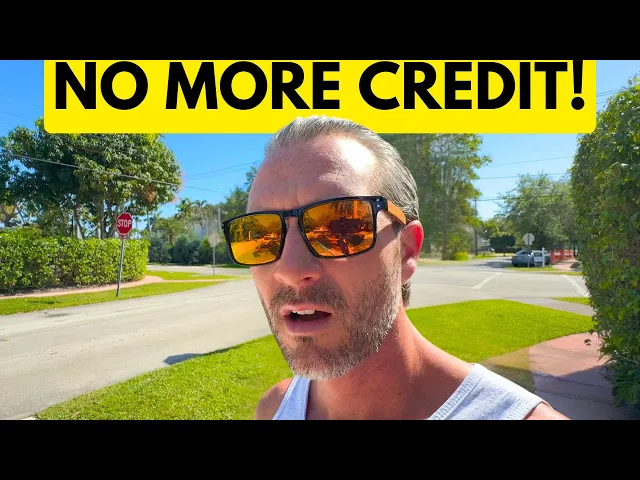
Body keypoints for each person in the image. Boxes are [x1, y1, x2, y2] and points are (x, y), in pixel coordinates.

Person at [222, 115, 569, 420]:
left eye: (342, 226)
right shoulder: (274, 408)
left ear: (406, 251)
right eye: (259, 234)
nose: (290, 269)